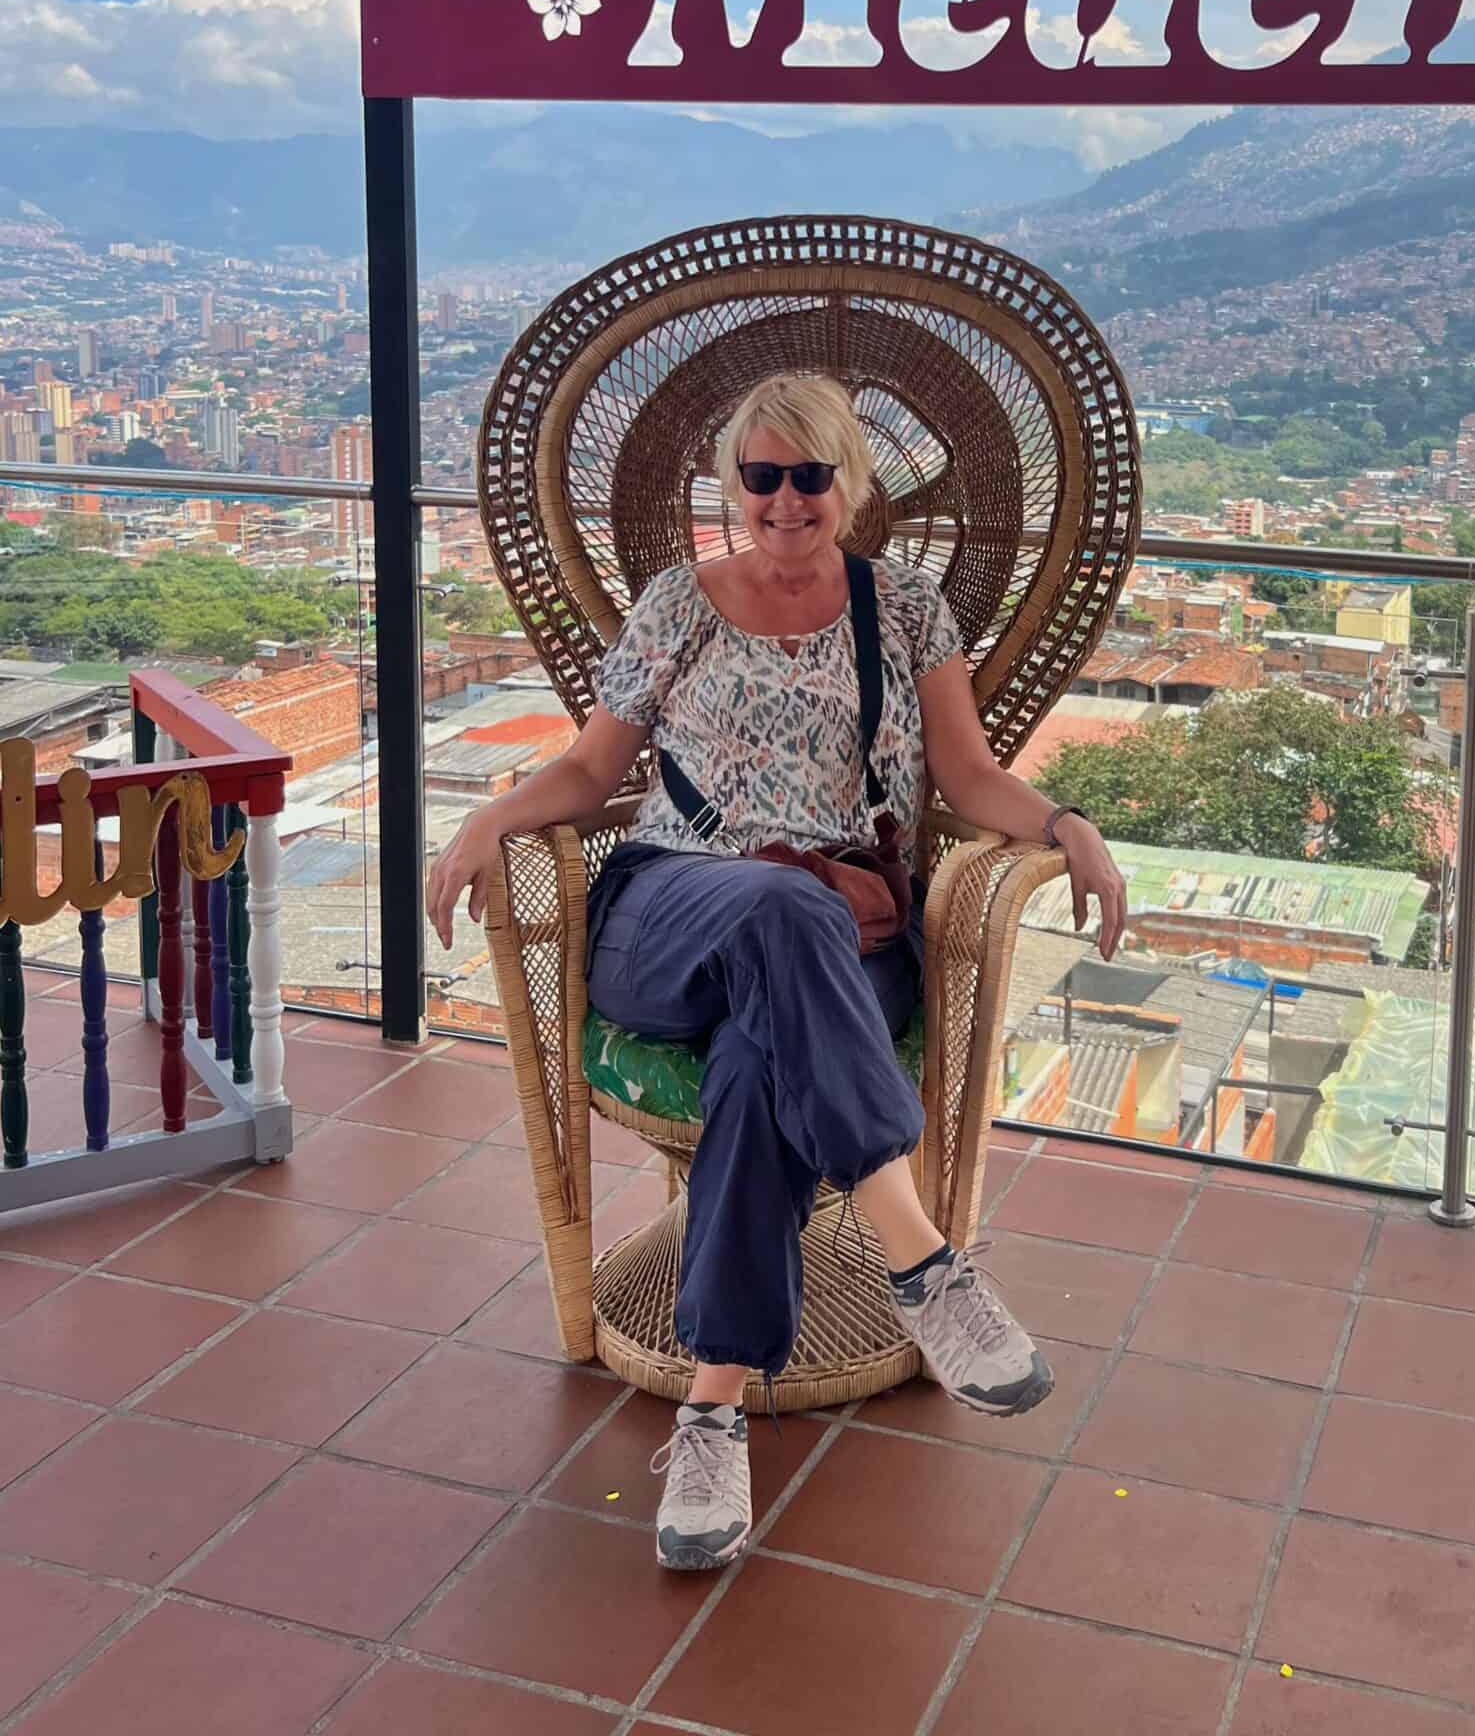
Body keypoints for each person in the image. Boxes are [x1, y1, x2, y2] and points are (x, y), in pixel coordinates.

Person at [429, 371, 1128, 1572]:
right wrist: (488, 817)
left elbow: (967, 777)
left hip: (841, 937)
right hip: (670, 913)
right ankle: (922, 1260)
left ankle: (711, 1416)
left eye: (811, 475)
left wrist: (1068, 823)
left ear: (852, 484)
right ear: (732, 484)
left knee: (763, 1059)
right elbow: (592, 771)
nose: (786, 499)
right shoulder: (678, 603)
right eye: (762, 475)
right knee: (775, 902)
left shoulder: (903, 609)